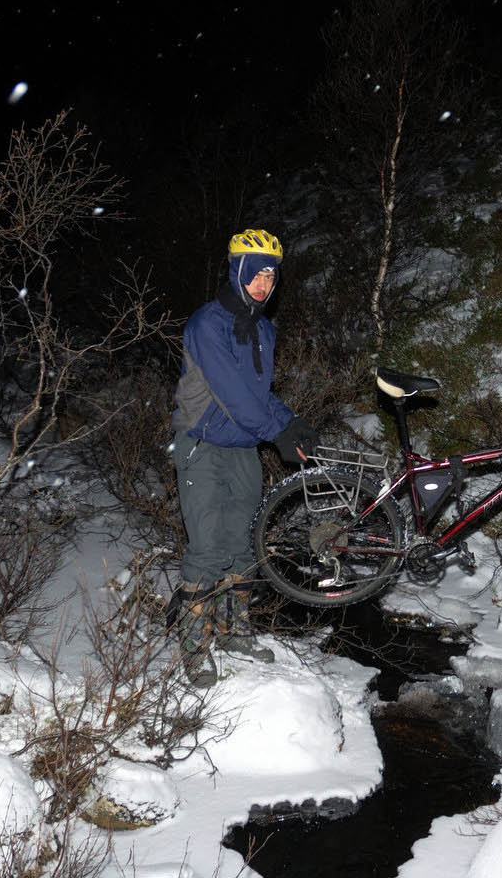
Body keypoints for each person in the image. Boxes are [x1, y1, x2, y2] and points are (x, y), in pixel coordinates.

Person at [170, 228, 316, 686]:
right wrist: (278, 431)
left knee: (240, 546)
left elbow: (258, 394)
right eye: (254, 272)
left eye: (270, 275)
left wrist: (291, 422)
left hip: (242, 449)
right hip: (202, 445)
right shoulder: (205, 326)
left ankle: (234, 631)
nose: (262, 282)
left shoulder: (263, 330)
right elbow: (233, 395)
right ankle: (195, 646)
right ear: (236, 271)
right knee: (207, 547)